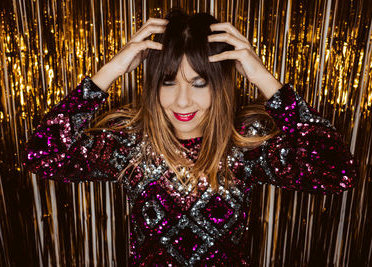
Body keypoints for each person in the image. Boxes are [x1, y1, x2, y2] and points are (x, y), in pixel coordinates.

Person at [23, 10, 357, 266]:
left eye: (199, 83)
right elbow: (41, 154)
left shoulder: (246, 142)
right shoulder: (130, 143)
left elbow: (338, 170)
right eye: (169, 82)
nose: (182, 101)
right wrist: (110, 71)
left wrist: (264, 78)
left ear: (222, 83)